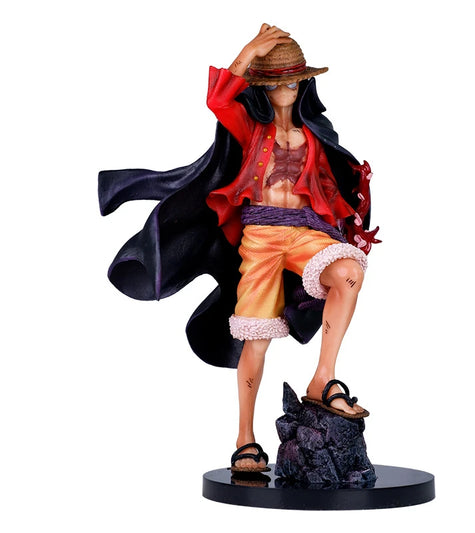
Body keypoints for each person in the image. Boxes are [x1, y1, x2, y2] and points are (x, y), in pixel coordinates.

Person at [98, 24, 379, 474]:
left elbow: (337, 188)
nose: (286, 91)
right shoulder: (251, 128)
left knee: (349, 272)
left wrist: (351, 218)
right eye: (276, 83)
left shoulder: (315, 133)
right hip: (261, 238)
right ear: (263, 88)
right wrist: (249, 51)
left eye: (293, 82)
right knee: (255, 337)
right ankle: (245, 437)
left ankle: (323, 379)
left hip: (306, 232)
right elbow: (218, 100)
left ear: (304, 85)